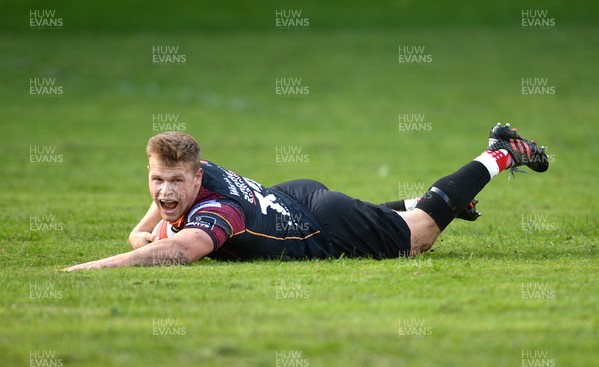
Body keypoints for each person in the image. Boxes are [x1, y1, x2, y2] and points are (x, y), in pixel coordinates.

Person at [63, 123, 548, 271]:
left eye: (175, 182)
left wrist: (85, 269)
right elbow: (158, 224)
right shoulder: (197, 172)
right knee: (386, 220)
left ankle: (502, 153)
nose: (165, 192)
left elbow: (176, 250)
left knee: (420, 236)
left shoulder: (217, 212)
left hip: (318, 226)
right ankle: (437, 199)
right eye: (156, 180)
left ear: (194, 179)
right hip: (296, 196)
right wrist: (142, 228)